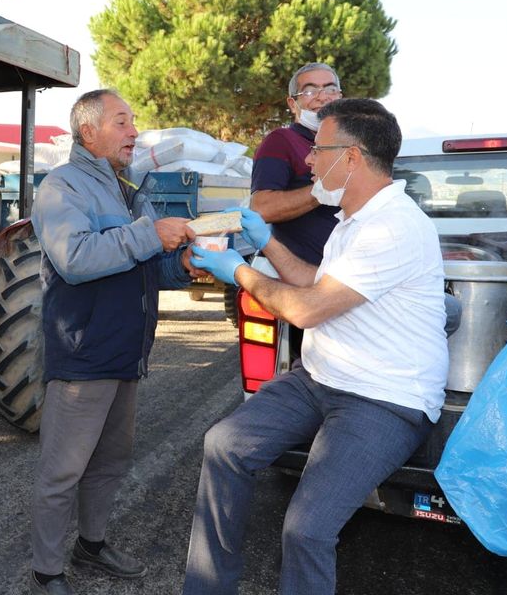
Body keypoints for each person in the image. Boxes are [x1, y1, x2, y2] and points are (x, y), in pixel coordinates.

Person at [183, 98, 449, 595]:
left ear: (350, 157)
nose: (306, 160)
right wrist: (267, 242)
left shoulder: (392, 225)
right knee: (224, 445)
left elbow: (306, 310)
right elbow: (314, 283)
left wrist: (237, 272)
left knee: (306, 529)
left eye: (317, 150)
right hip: (321, 378)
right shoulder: (352, 218)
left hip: (384, 398)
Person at [28, 89, 198, 595]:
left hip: (126, 353)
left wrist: (181, 265)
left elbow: (145, 267)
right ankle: (46, 571)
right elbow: (76, 259)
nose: (134, 132)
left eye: (133, 121)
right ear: (89, 132)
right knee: (63, 470)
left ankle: (92, 545)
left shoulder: (128, 190)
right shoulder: (63, 186)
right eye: (121, 122)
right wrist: (150, 235)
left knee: (110, 462)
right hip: (83, 355)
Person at [250, 62, 343, 266]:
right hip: (296, 273)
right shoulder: (281, 140)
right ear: (293, 104)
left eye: (330, 89)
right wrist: (322, 190)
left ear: (339, 97)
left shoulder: (348, 143)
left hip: (344, 272)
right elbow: (261, 208)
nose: (322, 97)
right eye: (309, 91)